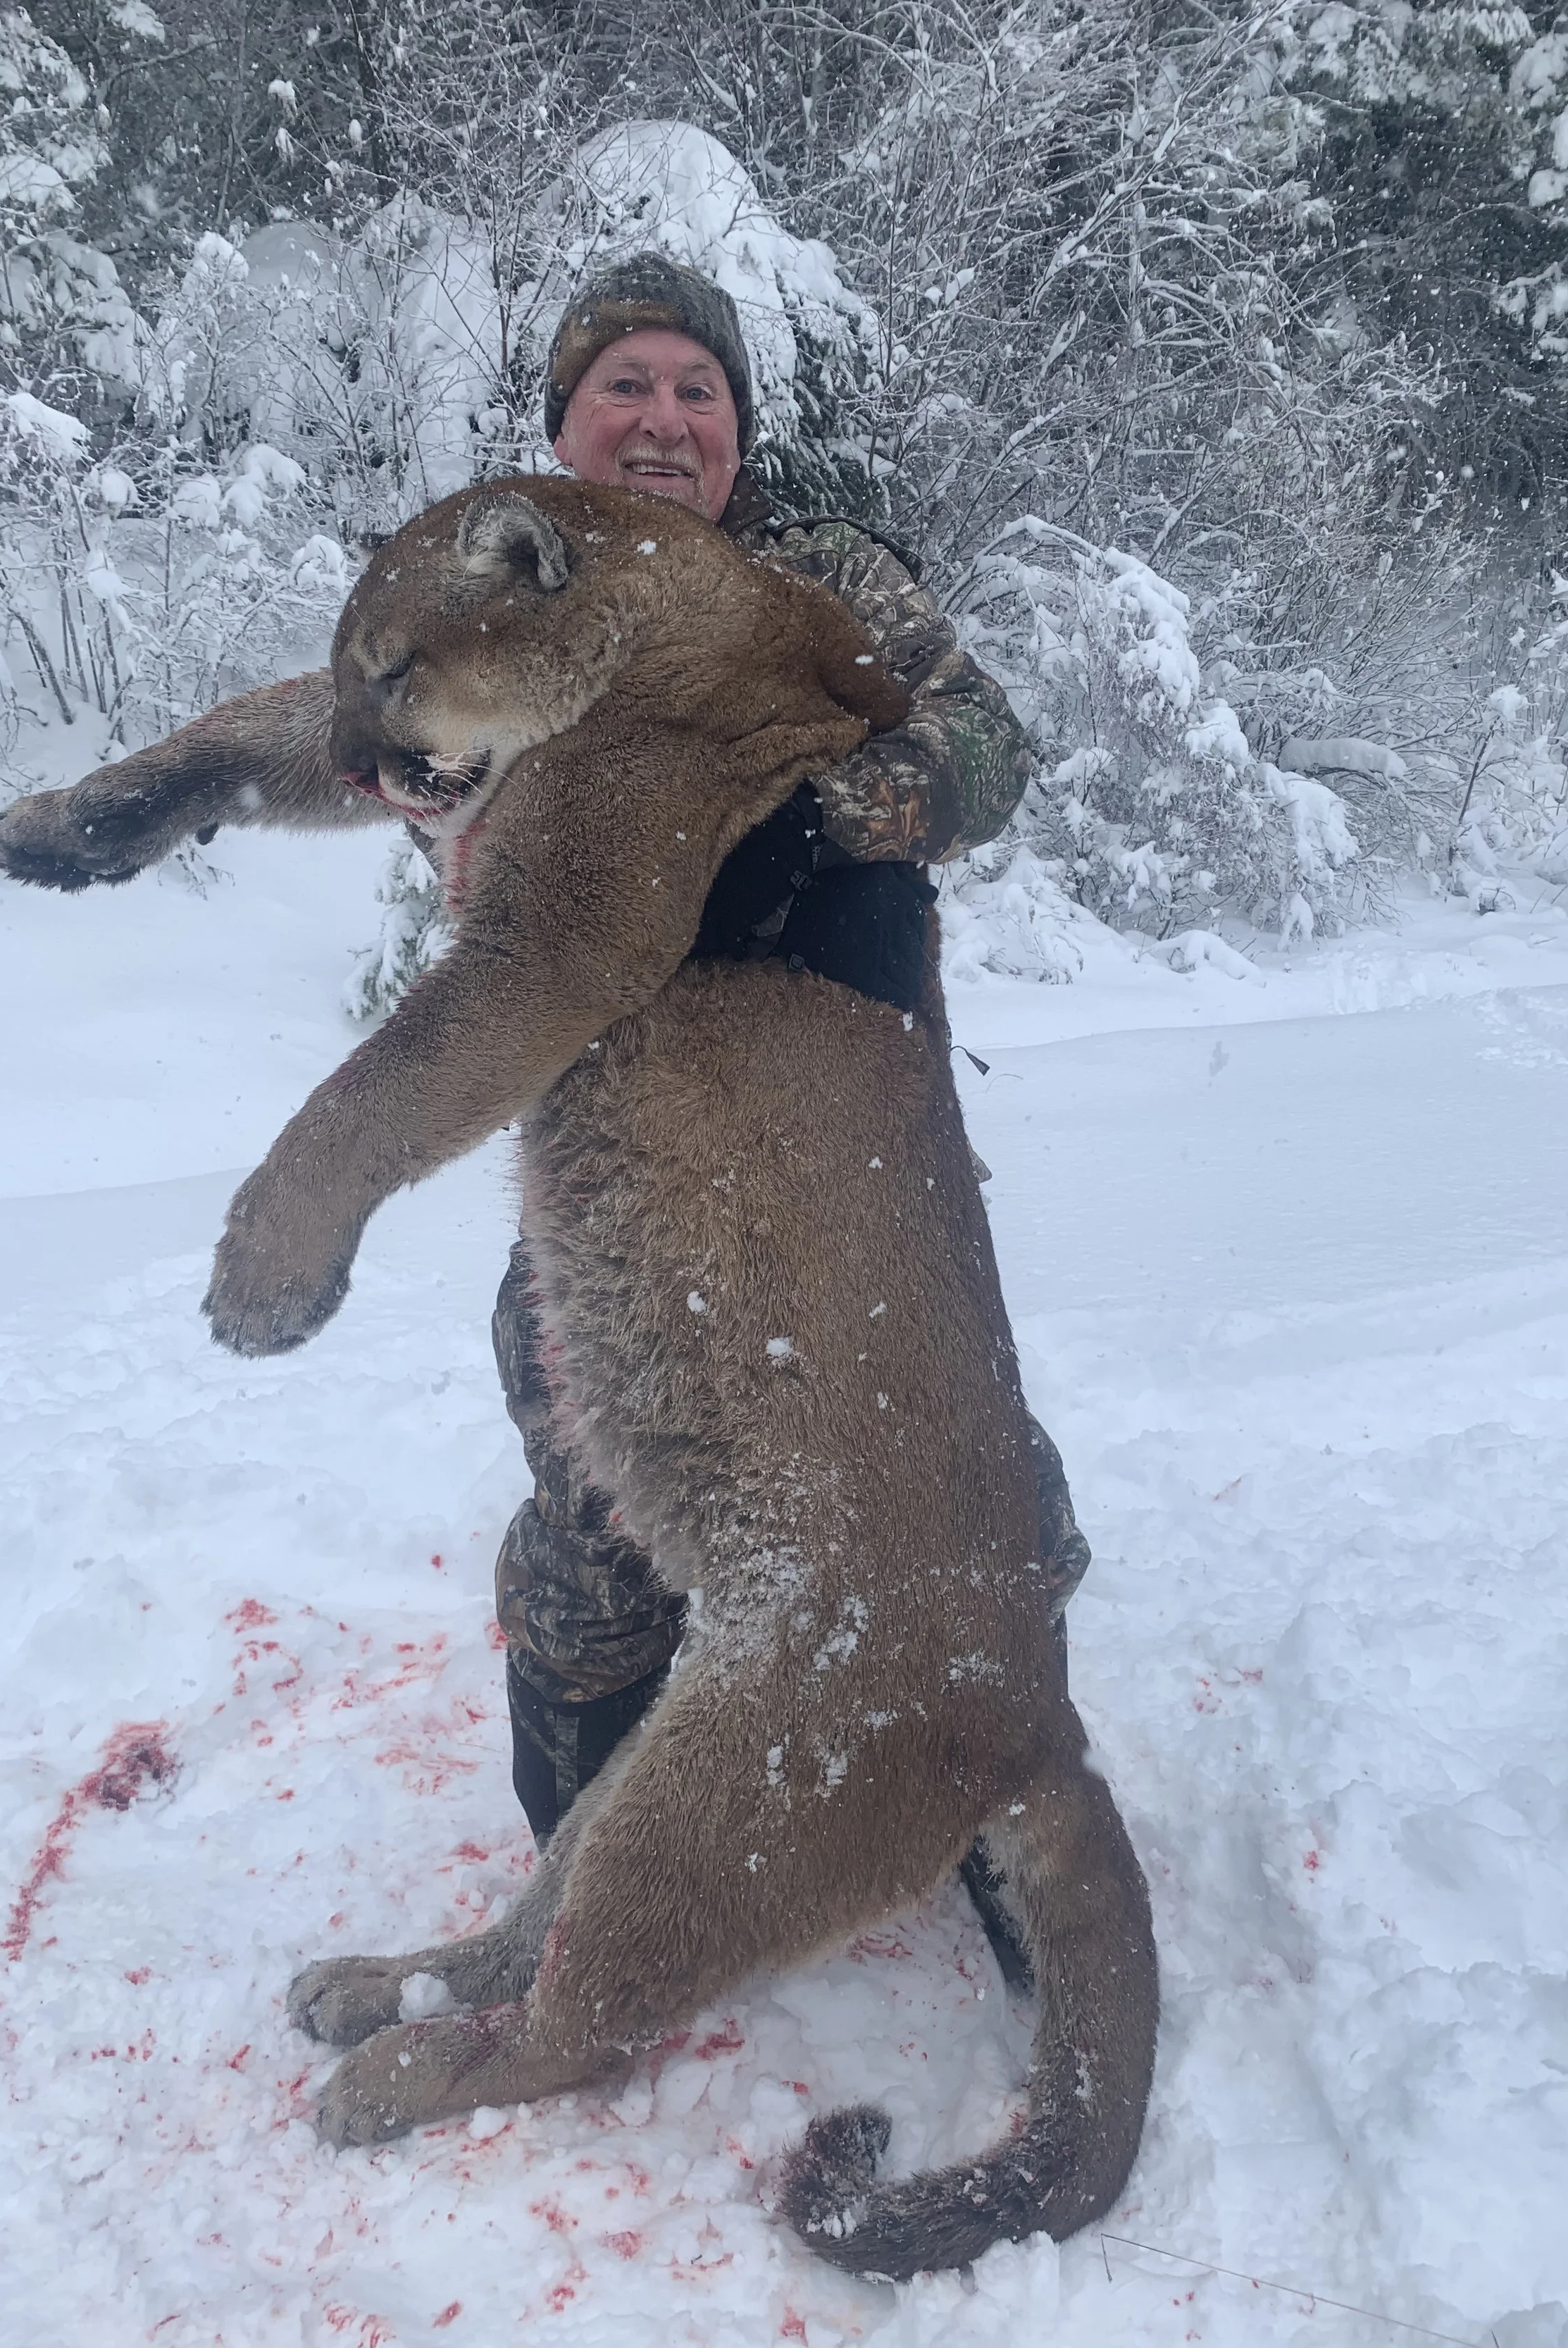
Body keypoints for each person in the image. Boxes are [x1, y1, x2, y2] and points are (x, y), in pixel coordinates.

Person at [490, 258, 1091, 1952]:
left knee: (984, 1494)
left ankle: (971, 1783)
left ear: (739, 439)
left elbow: (984, 740)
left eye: (700, 390)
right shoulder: (498, 594)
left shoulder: (822, 580)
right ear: (563, 427)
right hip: (619, 1169)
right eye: (627, 387)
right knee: (600, 1517)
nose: (664, 416)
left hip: (834, 1153)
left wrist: (829, 819)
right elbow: (396, 757)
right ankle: (597, 1858)